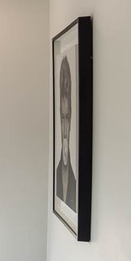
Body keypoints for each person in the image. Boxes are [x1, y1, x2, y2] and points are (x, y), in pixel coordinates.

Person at [55, 56, 77, 211]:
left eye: (67, 117)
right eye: (62, 117)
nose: (64, 124)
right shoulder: (58, 172)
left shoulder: (74, 179)